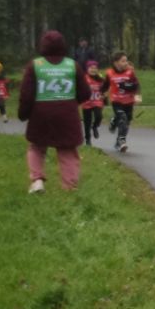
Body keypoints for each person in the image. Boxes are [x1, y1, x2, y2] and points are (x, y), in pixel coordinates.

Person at [17, 30, 91, 193]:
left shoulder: (35, 66)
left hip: (40, 114)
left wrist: (23, 113)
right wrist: (70, 102)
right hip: (67, 114)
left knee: (37, 147)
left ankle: (37, 180)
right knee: (67, 150)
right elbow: (85, 93)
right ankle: (69, 187)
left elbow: (26, 94)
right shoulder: (73, 65)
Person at [104, 51, 142, 152]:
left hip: (129, 101)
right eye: (123, 61)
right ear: (116, 63)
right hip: (116, 101)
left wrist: (137, 95)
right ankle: (122, 140)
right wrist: (101, 93)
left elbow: (136, 84)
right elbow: (105, 85)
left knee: (127, 121)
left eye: (126, 61)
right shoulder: (109, 73)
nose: (126, 63)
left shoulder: (130, 72)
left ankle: (115, 126)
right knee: (123, 118)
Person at [79, 61, 106, 146]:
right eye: (91, 68)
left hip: (97, 101)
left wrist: (104, 96)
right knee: (87, 122)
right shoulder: (84, 78)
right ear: (87, 69)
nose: (93, 70)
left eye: (95, 68)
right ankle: (88, 140)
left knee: (99, 116)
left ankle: (95, 126)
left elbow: (105, 89)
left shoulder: (100, 79)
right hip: (86, 103)